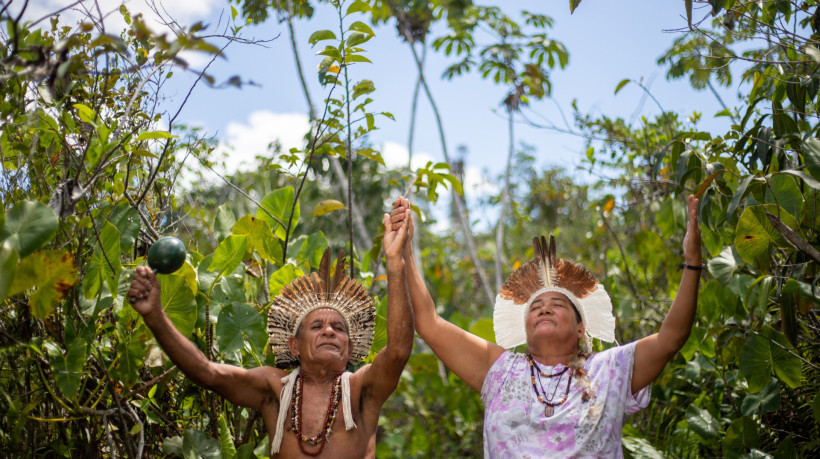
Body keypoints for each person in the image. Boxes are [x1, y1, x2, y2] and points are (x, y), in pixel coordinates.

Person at [391, 195, 702, 457]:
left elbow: (671, 337)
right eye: (536, 307)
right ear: (526, 330)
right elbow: (428, 323)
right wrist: (404, 251)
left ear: (581, 329)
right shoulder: (498, 369)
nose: (544, 309)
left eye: (558, 304)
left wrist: (691, 262)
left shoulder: (611, 369)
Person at [126, 209, 414, 457]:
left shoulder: (361, 390)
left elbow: (398, 351)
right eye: (317, 326)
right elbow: (208, 373)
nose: (329, 331)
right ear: (294, 346)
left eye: (338, 328)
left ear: (350, 349)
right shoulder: (274, 389)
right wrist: (155, 316)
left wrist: (395, 263)